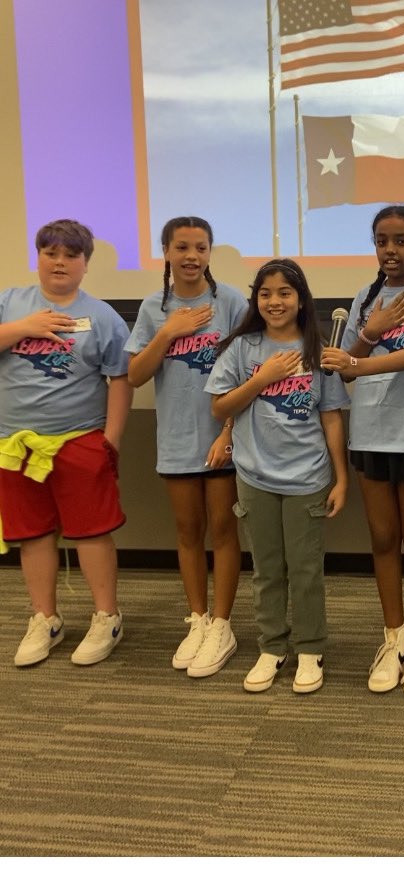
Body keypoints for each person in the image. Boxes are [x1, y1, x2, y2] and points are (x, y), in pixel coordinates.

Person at [321, 205, 404, 698]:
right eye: (381, 241)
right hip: (370, 433)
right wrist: (369, 333)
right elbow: (348, 370)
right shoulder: (364, 297)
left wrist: (357, 358)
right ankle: (392, 640)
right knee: (381, 540)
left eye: (400, 240)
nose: (390, 250)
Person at [206, 259, 348, 695]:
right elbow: (220, 407)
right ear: (256, 300)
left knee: (305, 570)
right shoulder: (244, 349)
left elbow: (331, 418)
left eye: (285, 292)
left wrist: (341, 478)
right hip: (255, 477)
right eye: (265, 293)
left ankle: (309, 648)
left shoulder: (317, 350)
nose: (274, 301)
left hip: (308, 478)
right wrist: (263, 379)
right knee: (267, 570)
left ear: (302, 299)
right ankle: (272, 646)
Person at [0, 219, 132, 667]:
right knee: (32, 534)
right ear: (38, 257)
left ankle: (106, 616)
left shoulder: (102, 316)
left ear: (85, 264)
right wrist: (25, 327)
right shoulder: (10, 303)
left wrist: (111, 438)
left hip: (79, 439)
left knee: (90, 533)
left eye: (70, 255)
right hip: (15, 445)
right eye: (50, 253)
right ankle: (45, 618)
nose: (60, 262)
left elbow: (120, 377)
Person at [126, 216, 247, 678]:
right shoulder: (153, 307)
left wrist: (228, 434)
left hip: (221, 438)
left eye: (200, 247)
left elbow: (249, 371)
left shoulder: (231, 302)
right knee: (187, 533)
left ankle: (222, 624)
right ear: (167, 252)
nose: (191, 256)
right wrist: (167, 333)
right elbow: (136, 375)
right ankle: (197, 620)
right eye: (182, 247)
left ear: (210, 252)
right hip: (175, 439)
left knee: (223, 531)